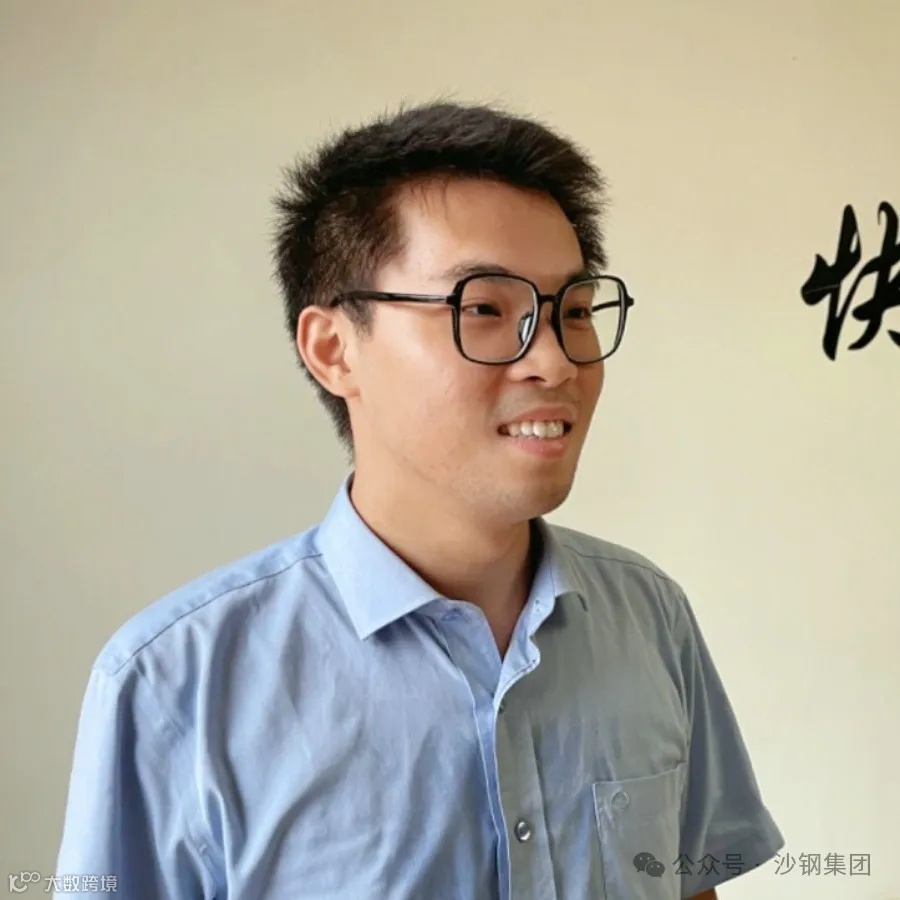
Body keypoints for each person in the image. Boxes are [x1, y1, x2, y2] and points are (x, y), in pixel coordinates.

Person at [54, 100, 784, 899]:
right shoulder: (175, 685)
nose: (554, 362)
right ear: (334, 349)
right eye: (485, 310)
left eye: (574, 312)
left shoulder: (649, 618)